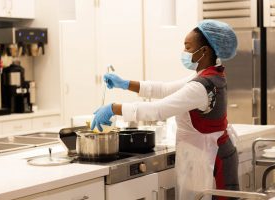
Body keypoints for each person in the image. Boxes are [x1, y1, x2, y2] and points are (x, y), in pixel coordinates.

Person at [91, 19, 239, 200]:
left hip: (210, 159)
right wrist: (125, 84)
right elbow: (164, 89)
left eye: (188, 47)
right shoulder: (207, 75)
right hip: (206, 153)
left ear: (205, 51)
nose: (184, 52)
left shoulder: (202, 86)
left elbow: (158, 110)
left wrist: (113, 108)